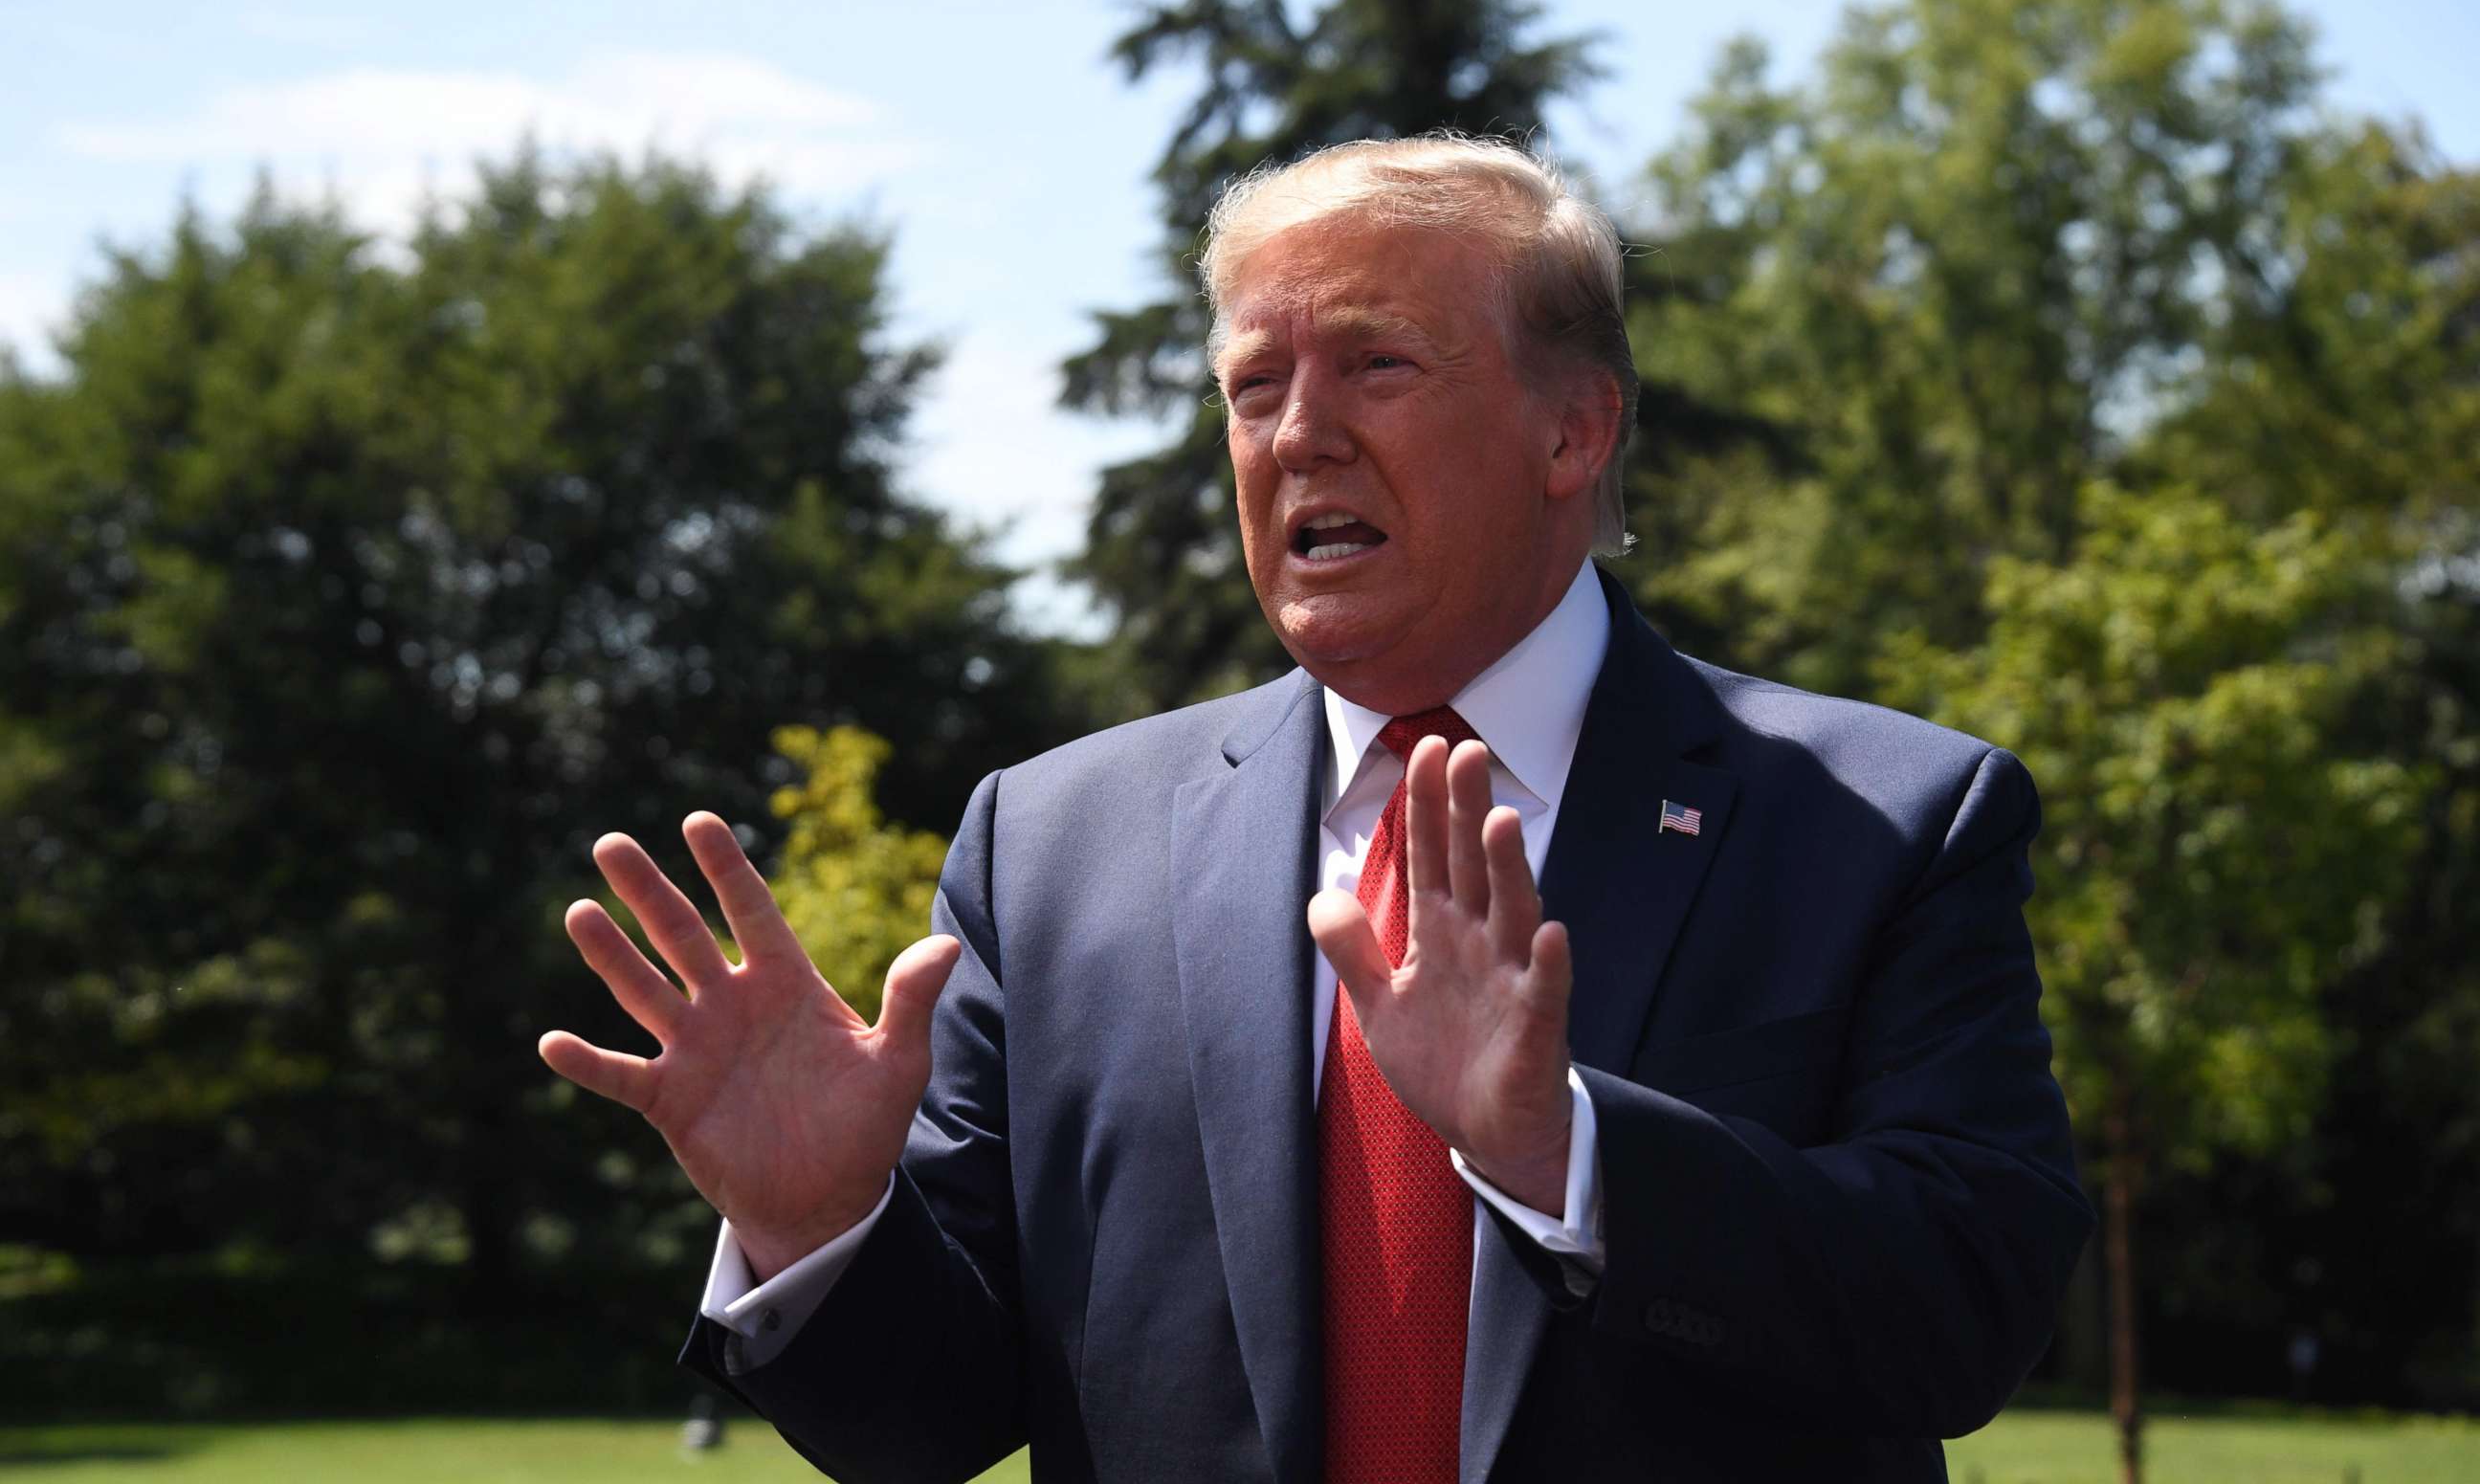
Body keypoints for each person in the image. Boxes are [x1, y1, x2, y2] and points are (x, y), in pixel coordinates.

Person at [540, 134, 2093, 1482]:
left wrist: (1571, 1157)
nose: (1300, 436)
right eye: (1254, 388)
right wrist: (823, 1228)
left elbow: (1966, 1308)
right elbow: (928, 1421)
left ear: (1577, 429)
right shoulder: (1054, 848)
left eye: (1378, 365)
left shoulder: (1888, 818)